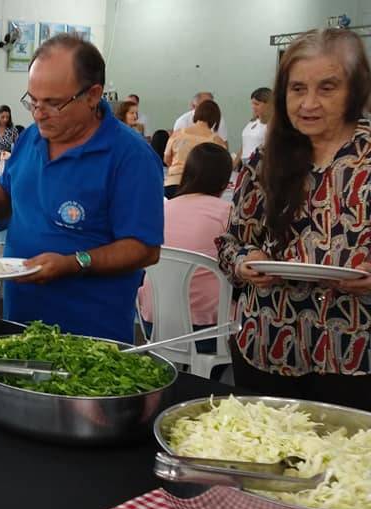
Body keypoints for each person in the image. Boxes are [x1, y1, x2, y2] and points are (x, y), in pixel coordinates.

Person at [0, 35, 163, 343]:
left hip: (89, 337)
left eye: (53, 103)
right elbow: (6, 188)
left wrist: (74, 263)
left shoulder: (130, 156)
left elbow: (144, 248)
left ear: (93, 95)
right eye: (33, 101)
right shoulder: (31, 137)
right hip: (19, 323)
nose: (38, 113)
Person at [217, 28, 371, 410]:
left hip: (354, 352)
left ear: (355, 89)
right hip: (267, 343)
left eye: (327, 88)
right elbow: (230, 244)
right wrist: (244, 263)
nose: (309, 103)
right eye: (297, 89)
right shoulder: (265, 160)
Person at [139, 143, 233, 356]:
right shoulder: (228, 214)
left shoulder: (163, 209)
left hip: (154, 323)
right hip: (208, 332)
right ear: (225, 182)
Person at [164, 100, 226, 198]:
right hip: (199, 186)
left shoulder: (177, 134)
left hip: (173, 183)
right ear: (215, 119)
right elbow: (221, 167)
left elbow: (167, 158)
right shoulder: (216, 141)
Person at [235, 87, 272, 167]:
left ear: (268, 105)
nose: (253, 107)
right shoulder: (252, 122)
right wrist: (234, 166)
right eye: (252, 104)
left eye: (257, 104)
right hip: (245, 166)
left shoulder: (272, 125)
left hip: (260, 166)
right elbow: (244, 147)